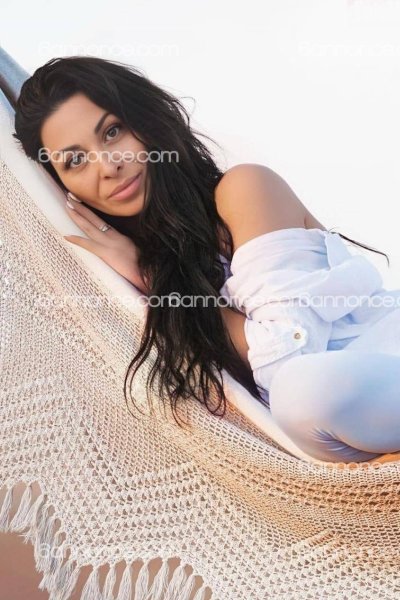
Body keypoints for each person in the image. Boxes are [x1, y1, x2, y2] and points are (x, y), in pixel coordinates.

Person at [12, 55, 400, 464]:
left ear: (146, 121)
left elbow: (290, 354)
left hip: (381, 357)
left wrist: (152, 278)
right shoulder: (125, 292)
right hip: (342, 432)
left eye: (113, 132)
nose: (109, 166)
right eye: (75, 161)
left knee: (302, 394)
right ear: (63, 187)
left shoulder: (243, 190)